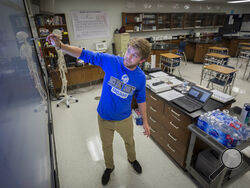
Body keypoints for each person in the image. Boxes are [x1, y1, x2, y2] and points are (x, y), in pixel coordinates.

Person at [46, 34, 151, 185]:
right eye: (128, 51)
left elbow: (141, 99)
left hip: (124, 118)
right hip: (104, 117)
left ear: (142, 60)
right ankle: (109, 167)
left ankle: (132, 159)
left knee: (129, 142)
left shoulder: (140, 77)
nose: (128, 57)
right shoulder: (112, 61)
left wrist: (145, 123)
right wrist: (61, 46)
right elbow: (85, 54)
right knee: (106, 145)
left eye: (135, 56)